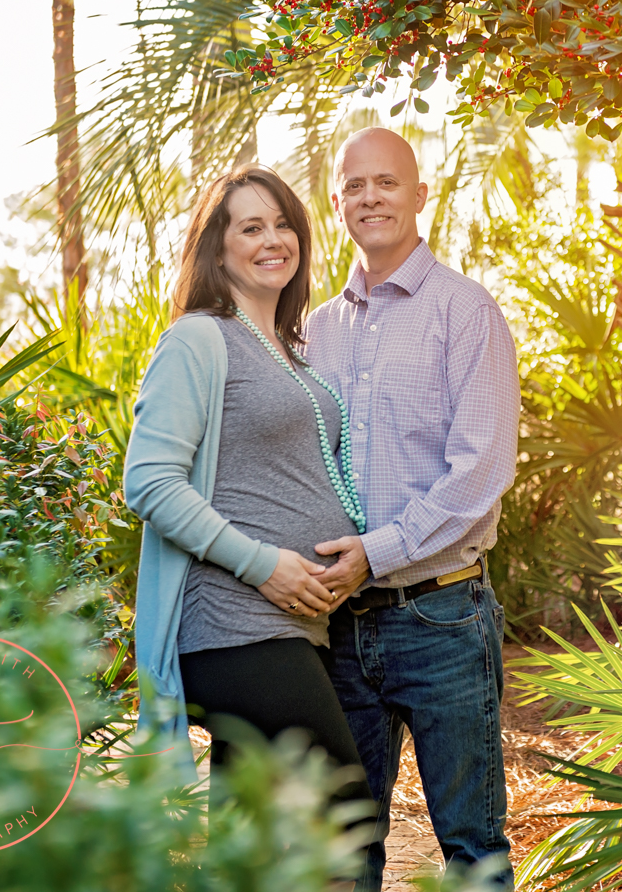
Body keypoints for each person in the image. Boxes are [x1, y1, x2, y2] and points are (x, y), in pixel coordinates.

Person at [124, 165, 375, 859]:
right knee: (342, 821)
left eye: (283, 223)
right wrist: (263, 564)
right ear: (218, 247)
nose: (274, 239)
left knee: (257, 844)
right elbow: (148, 480)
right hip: (234, 628)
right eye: (251, 226)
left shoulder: (293, 353)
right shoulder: (199, 338)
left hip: (297, 628)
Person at [303, 128, 521, 890]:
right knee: (345, 849)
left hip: (441, 618)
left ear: (419, 195)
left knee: (470, 845)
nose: (371, 198)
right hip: (338, 623)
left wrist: (379, 549)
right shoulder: (316, 329)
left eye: (387, 183)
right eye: (354, 186)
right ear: (336, 203)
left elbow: (480, 473)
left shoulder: (466, 311)